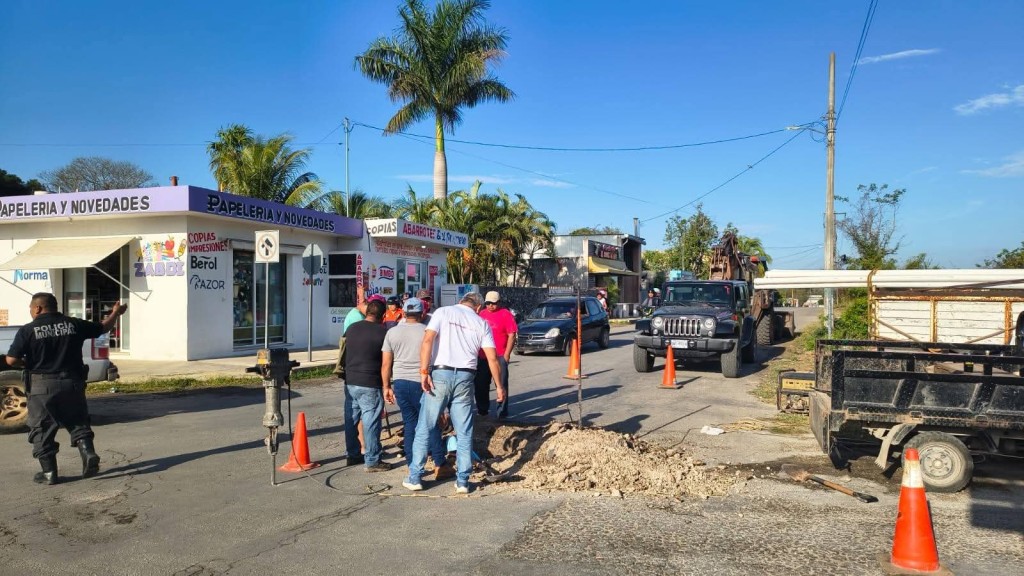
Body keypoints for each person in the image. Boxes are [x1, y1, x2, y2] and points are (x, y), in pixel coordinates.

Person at [2, 292, 126, 484]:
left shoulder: (28, 330)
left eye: (30, 309)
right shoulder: (74, 324)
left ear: (38, 308)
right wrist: (115, 313)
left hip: (42, 386)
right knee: (77, 421)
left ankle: (49, 473)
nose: (30, 312)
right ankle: (88, 453)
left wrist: (26, 363)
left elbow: (11, 359)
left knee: (41, 429)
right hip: (72, 383)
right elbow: (103, 327)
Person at [403, 292, 503, 494]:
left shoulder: (443, 312)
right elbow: (492, 358)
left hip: (440, 373)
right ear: (478, 307)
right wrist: (500, 386)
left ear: (460, 302)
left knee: (425, 425)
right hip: (466, 377)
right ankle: (463, 482)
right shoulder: (481, 322)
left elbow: (428, 340)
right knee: (464, 430)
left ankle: (415, 476)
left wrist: (424, 371)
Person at [380, 297, 451, 478]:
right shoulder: (428, 332)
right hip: (424, 381)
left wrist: (386, 386)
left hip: (401, 382)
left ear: (403, 313)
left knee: (410, 423)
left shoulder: (392, 333)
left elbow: (386, 364)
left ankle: (412, 464)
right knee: (431, 422)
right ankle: (439, 463)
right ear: (422, 314)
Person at [342, 298, 392, 472]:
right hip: (370, 382)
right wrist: (387, 384)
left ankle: (353, 454)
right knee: (371, 421)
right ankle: (372, 460)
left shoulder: (351, 328)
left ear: (367, 311)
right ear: (383, 315)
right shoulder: (383, 333)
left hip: (350, 380)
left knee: (351, 419)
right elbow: (386, 363)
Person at [475, 291, 517, 419]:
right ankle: (482, 411)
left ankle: (502, 412)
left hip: (499, 355)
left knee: (501, 384)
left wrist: (506, 355)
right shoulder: (481, 314)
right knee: (481, 384)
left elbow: (512, 334)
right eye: (488, 303)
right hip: (483, 356)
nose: (490, 306)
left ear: (498, 302)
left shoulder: (505, 314)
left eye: (493, 303)